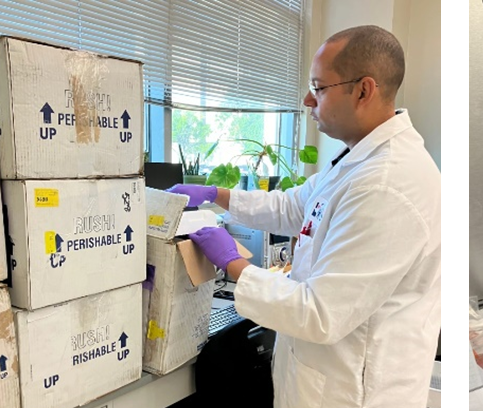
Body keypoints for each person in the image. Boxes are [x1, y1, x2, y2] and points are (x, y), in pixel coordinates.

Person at [169, 25, 441, 408]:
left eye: (319, 87)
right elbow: (293, 207)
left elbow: (320, 312)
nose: (307, 100)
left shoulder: (387, 184)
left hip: (355, 395)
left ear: (363, 90)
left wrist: (233, 264)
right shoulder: (357, 161)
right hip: (323, 381)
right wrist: (218, 195)